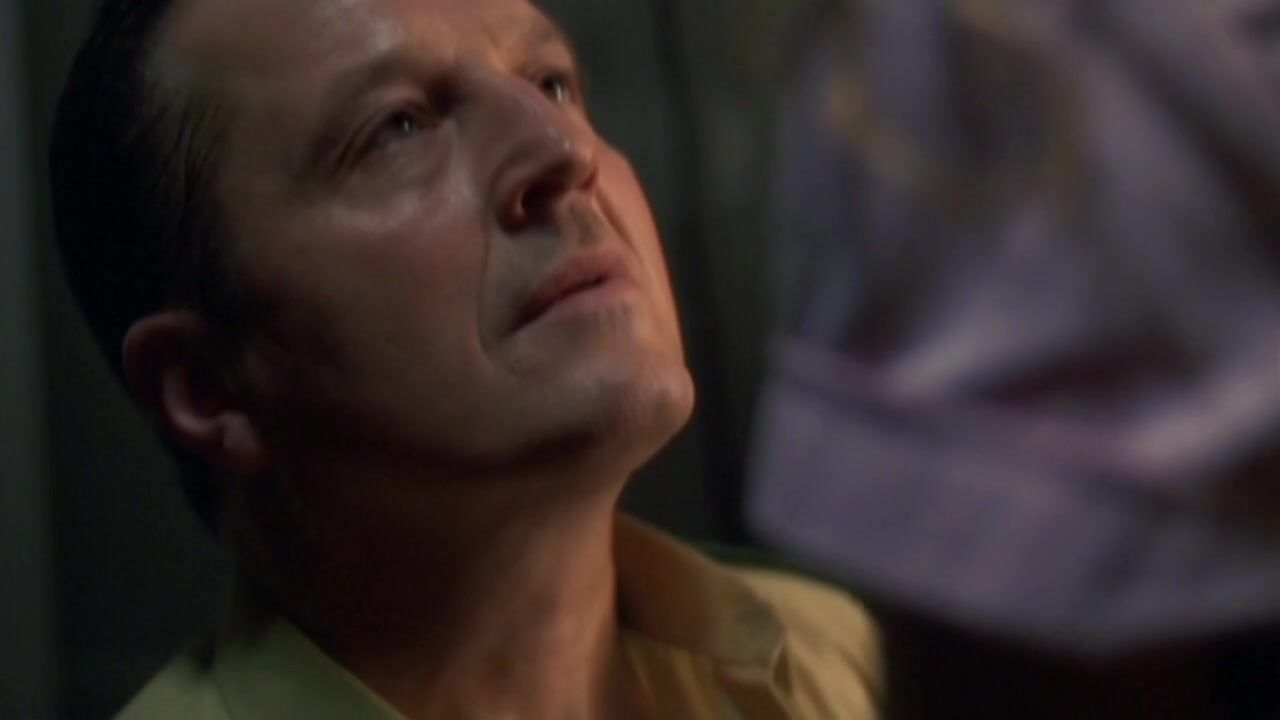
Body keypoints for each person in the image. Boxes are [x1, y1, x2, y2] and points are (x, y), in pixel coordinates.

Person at [49, 0, 882, 717]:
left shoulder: (841, 659)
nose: (565, 150)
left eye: (552, 83)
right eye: (398, 128)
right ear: (208, 385)